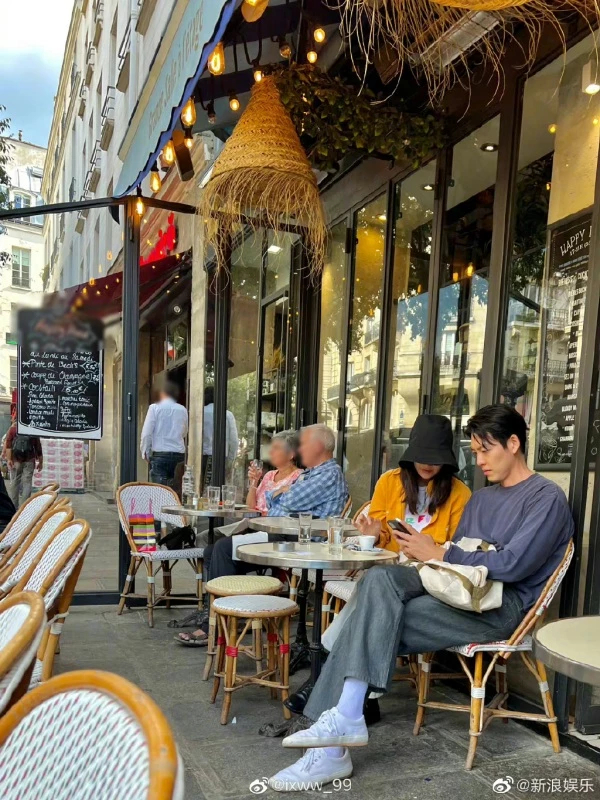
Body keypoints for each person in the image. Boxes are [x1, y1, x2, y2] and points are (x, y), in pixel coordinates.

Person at [269, 405, 574, 790]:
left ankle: (331, 746)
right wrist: (429, 552)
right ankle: (342, 724)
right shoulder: (482, 499)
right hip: (455, 588)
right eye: (475, 451)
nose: (478, 461)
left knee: (372, 615)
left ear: (514, 444)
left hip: (498, 606)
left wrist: (441, 552)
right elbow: (459, 556)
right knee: (379, 582)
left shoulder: (544, 497)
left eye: (485, 450)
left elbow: (513, 566)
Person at [285, 414, 472, 714]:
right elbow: (381, 535)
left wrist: (428, 549)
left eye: (435, 458)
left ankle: (322, 680)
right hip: (390, 569)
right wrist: (373, 534)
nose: (428, 464)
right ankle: (361, 699)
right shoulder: (391, 481)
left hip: (429, 576)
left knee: (373, 589)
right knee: (376, 586)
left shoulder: (460, 494)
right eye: (422, 456)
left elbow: (455, 549)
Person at [175, 423, 348, 646]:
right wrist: (279, 492)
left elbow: (289, 500)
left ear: (317, 446)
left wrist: (282, 493)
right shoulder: (313, 474)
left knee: (223, 549)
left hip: (299, 543)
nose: (300, 449)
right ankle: (226, 617)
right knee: (215, 550)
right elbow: (275, 499)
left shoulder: (329, 474)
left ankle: (219, 625)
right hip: (280, 535)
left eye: (303, 444)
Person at [140, 381, 188, 488]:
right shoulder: (183, 410)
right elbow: (184, 432)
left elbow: (147, 433)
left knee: (160, 492)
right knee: (176, 491)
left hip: (160, 455)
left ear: (162, 394)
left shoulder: (154, 408)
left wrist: (145, 452)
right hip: (178, 455)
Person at [246, 430, 303, 514]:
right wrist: (254, 481)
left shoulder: (300, 477)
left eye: (276, 448)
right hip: (255, 524)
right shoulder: (269, 475)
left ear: (291, 454)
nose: (270, 452)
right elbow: (250, 508)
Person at [202, 386, 238, 487]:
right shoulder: (228, 414)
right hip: (221, 457)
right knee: (217, 489)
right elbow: (234, 440)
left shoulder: (201, 412)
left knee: (201, 488)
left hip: (203, 457)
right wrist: (230, 459)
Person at [4, 419, 43, 507]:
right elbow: (38, 447)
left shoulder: (14, 429)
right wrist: (40, 462)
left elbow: (8, 445)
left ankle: (13, 506)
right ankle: (24, 507)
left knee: (14, 482)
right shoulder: (32, 430)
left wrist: (9, 459)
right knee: (27, 482)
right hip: (30, 460)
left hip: (16, 460)